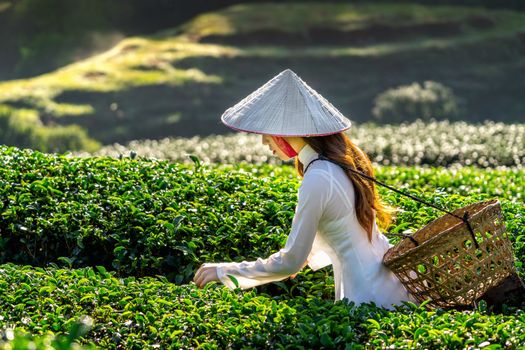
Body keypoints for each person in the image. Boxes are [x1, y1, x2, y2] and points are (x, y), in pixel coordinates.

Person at [193, 69, 415, 309]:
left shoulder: (318, 177)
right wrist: (302, 256)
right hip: (391, 287)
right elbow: (341, 226)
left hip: (368, 300)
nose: (263, 141)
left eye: (267, 132)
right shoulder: (337, 165)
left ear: (287, 132)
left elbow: (290, 262)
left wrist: (223, 271)